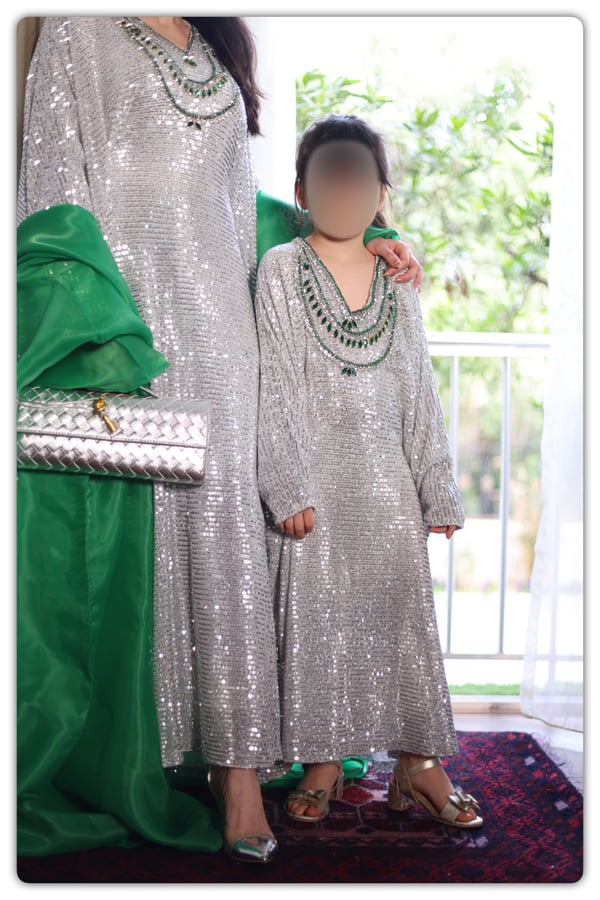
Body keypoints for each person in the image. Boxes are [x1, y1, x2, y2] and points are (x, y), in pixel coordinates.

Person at [17, 16, 423, 862]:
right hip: (128, 334)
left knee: (230, 543)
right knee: (147, 551)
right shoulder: (77, 31)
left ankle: (237, 771)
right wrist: (97, 338)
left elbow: (247, 217)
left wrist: (367, 239)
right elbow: (50, 197)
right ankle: (151, 755)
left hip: (230, 344)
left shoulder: (217, 52)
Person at [255, 114, 483, 832]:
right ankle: (323, 760)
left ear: (381, 193)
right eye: (328, 177)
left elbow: (418, 387)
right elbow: (274, 384)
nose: (344, 190)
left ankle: (418, 762)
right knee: (317, 620)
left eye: (359, 179)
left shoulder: (397, 277)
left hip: (389, 481)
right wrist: (286, 483)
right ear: (301, 190)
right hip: (314, 482)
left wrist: (435, 484)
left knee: (402, 621)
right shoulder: (281, 269)